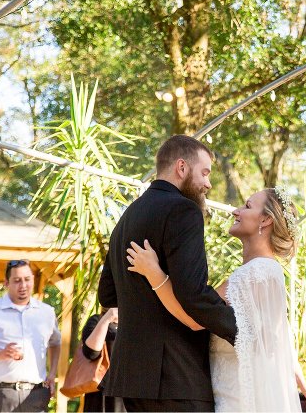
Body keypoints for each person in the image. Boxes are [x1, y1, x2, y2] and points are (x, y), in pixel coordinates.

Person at [127, 187, 306, 412]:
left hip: (236, 402)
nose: (235, 211)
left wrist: (154, 273)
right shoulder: (264, 272)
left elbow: (194, 318)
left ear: (266, 219)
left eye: (247, 206)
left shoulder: (254, 274)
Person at [98, 135, 238, 412]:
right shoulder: (183, 210)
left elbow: (108, 294)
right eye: (205, 172)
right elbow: (193, 293)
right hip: (176, 374)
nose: (208, 184)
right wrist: (241, 330)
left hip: (133, 378)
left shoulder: (127, 217)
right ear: (182, 167)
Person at [0, 260, 61, 412]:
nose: (23, 285)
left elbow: (55, 343)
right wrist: (1, 354)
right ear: (6, 283)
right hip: (0, 396)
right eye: (17, 281)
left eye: (27, 279)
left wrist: (52, 373)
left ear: (33, 279)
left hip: (36, 395)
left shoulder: (47, 312)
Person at [79, 308, 123, 412]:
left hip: (127, 394)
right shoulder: (97, 320)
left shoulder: (134, 322)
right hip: (100, 394)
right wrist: (107, 318)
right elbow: (91, 353)